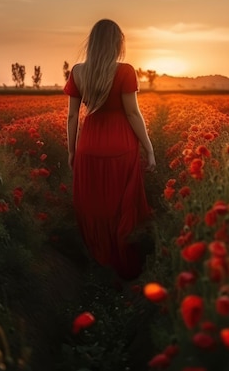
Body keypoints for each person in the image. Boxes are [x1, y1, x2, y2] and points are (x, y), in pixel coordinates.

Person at [64, 18, 155, 281]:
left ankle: (100, 263)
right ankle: (125, 265)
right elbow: (133, 114)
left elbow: (72, 117)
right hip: (121, 146)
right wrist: (149, 149)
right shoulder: (125, 71)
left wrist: (72, 150)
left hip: (89, 146)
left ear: (92, 43)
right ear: (117, 44)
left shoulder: (78, 72)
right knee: (121, 206)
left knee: (95, 205)